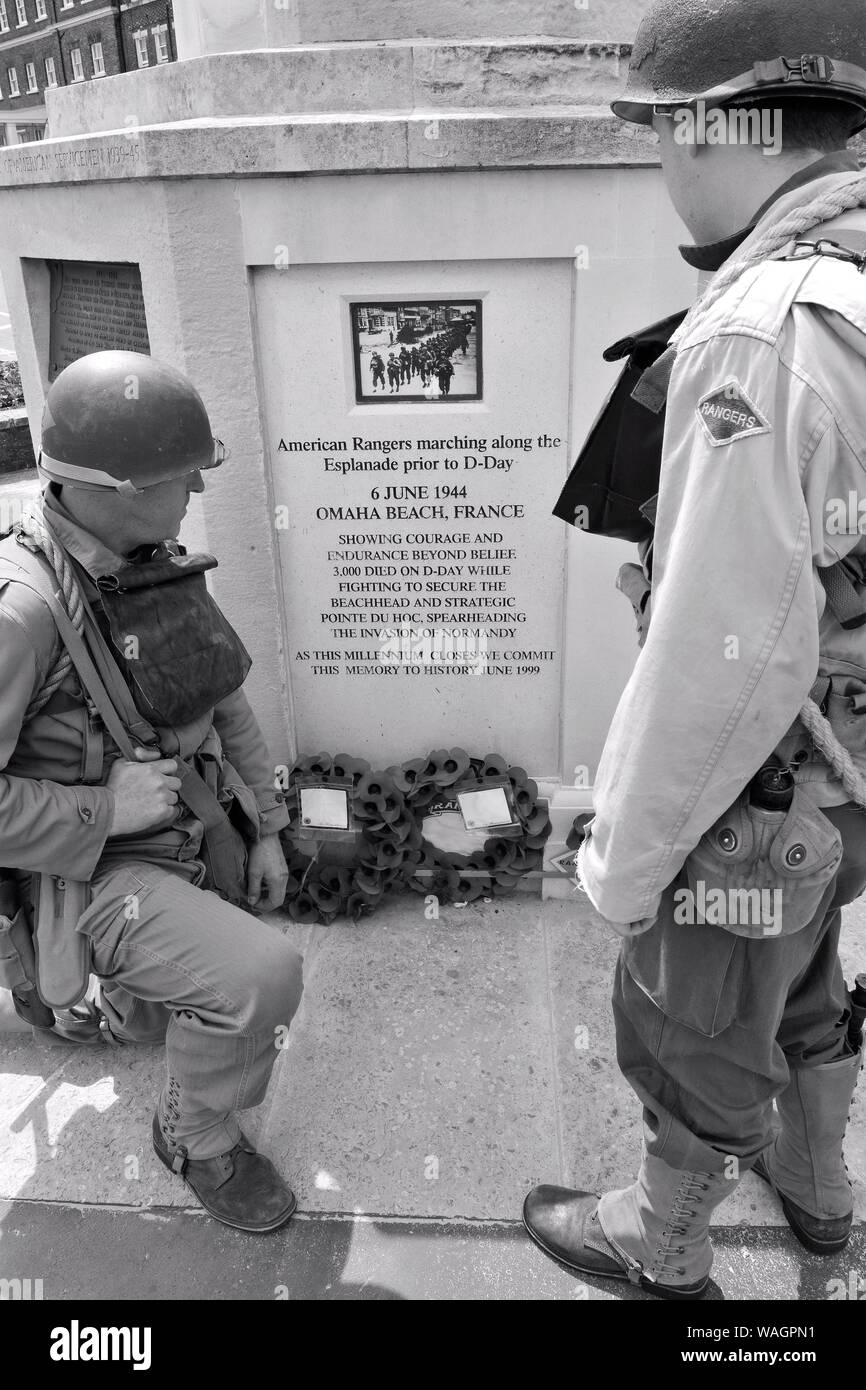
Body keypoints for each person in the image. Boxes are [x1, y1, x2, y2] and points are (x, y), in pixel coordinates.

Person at [524, 0, 866, 1299]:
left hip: (760, 792)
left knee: (693, 1017)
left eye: (662, 126)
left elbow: (720, 667)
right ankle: (821, 1190)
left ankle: (659, 1247)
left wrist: (620, 859)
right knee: (803, 976)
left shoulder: (759, 333)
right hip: (844, 788)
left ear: (715, 122)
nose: (661, 156)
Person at [0, 351, 304, 1234]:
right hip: (96, 864)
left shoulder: (149, 556)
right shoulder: (22, 614)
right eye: (184, 477)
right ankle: (194, 1136)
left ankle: (106, 1004)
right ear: (119, 485)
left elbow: (221, 696)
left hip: (184, 827)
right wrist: (109, 809)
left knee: (151, 1019)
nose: (196, 491)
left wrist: (270, 827)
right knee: (262, 980)